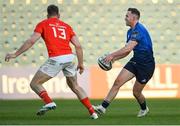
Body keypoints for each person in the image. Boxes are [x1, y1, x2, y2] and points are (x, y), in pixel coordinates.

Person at [5, 4, 98, 119]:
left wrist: (15, 54)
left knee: (35, 83)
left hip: (57, 58)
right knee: (75, 86)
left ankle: (49, 102)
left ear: (47, 15)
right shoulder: (66, 26)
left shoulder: (43, 24)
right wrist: (80, 63)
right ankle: (92, 112)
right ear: (59, 15)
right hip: (70, 58)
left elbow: (31, 41)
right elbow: (78, 46)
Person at [93, 8, 155, 117]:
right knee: (117, 82)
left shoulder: (138, 30)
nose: (125, 18)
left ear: (134, 18)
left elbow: (127, 49)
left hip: (146, 65)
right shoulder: (130, 32)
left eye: (127, 16)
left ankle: (144, 109)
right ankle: (103, 107)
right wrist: (114, 59)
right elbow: (127, 51)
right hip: (135, 61)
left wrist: (112, 55)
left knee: (136, 92)